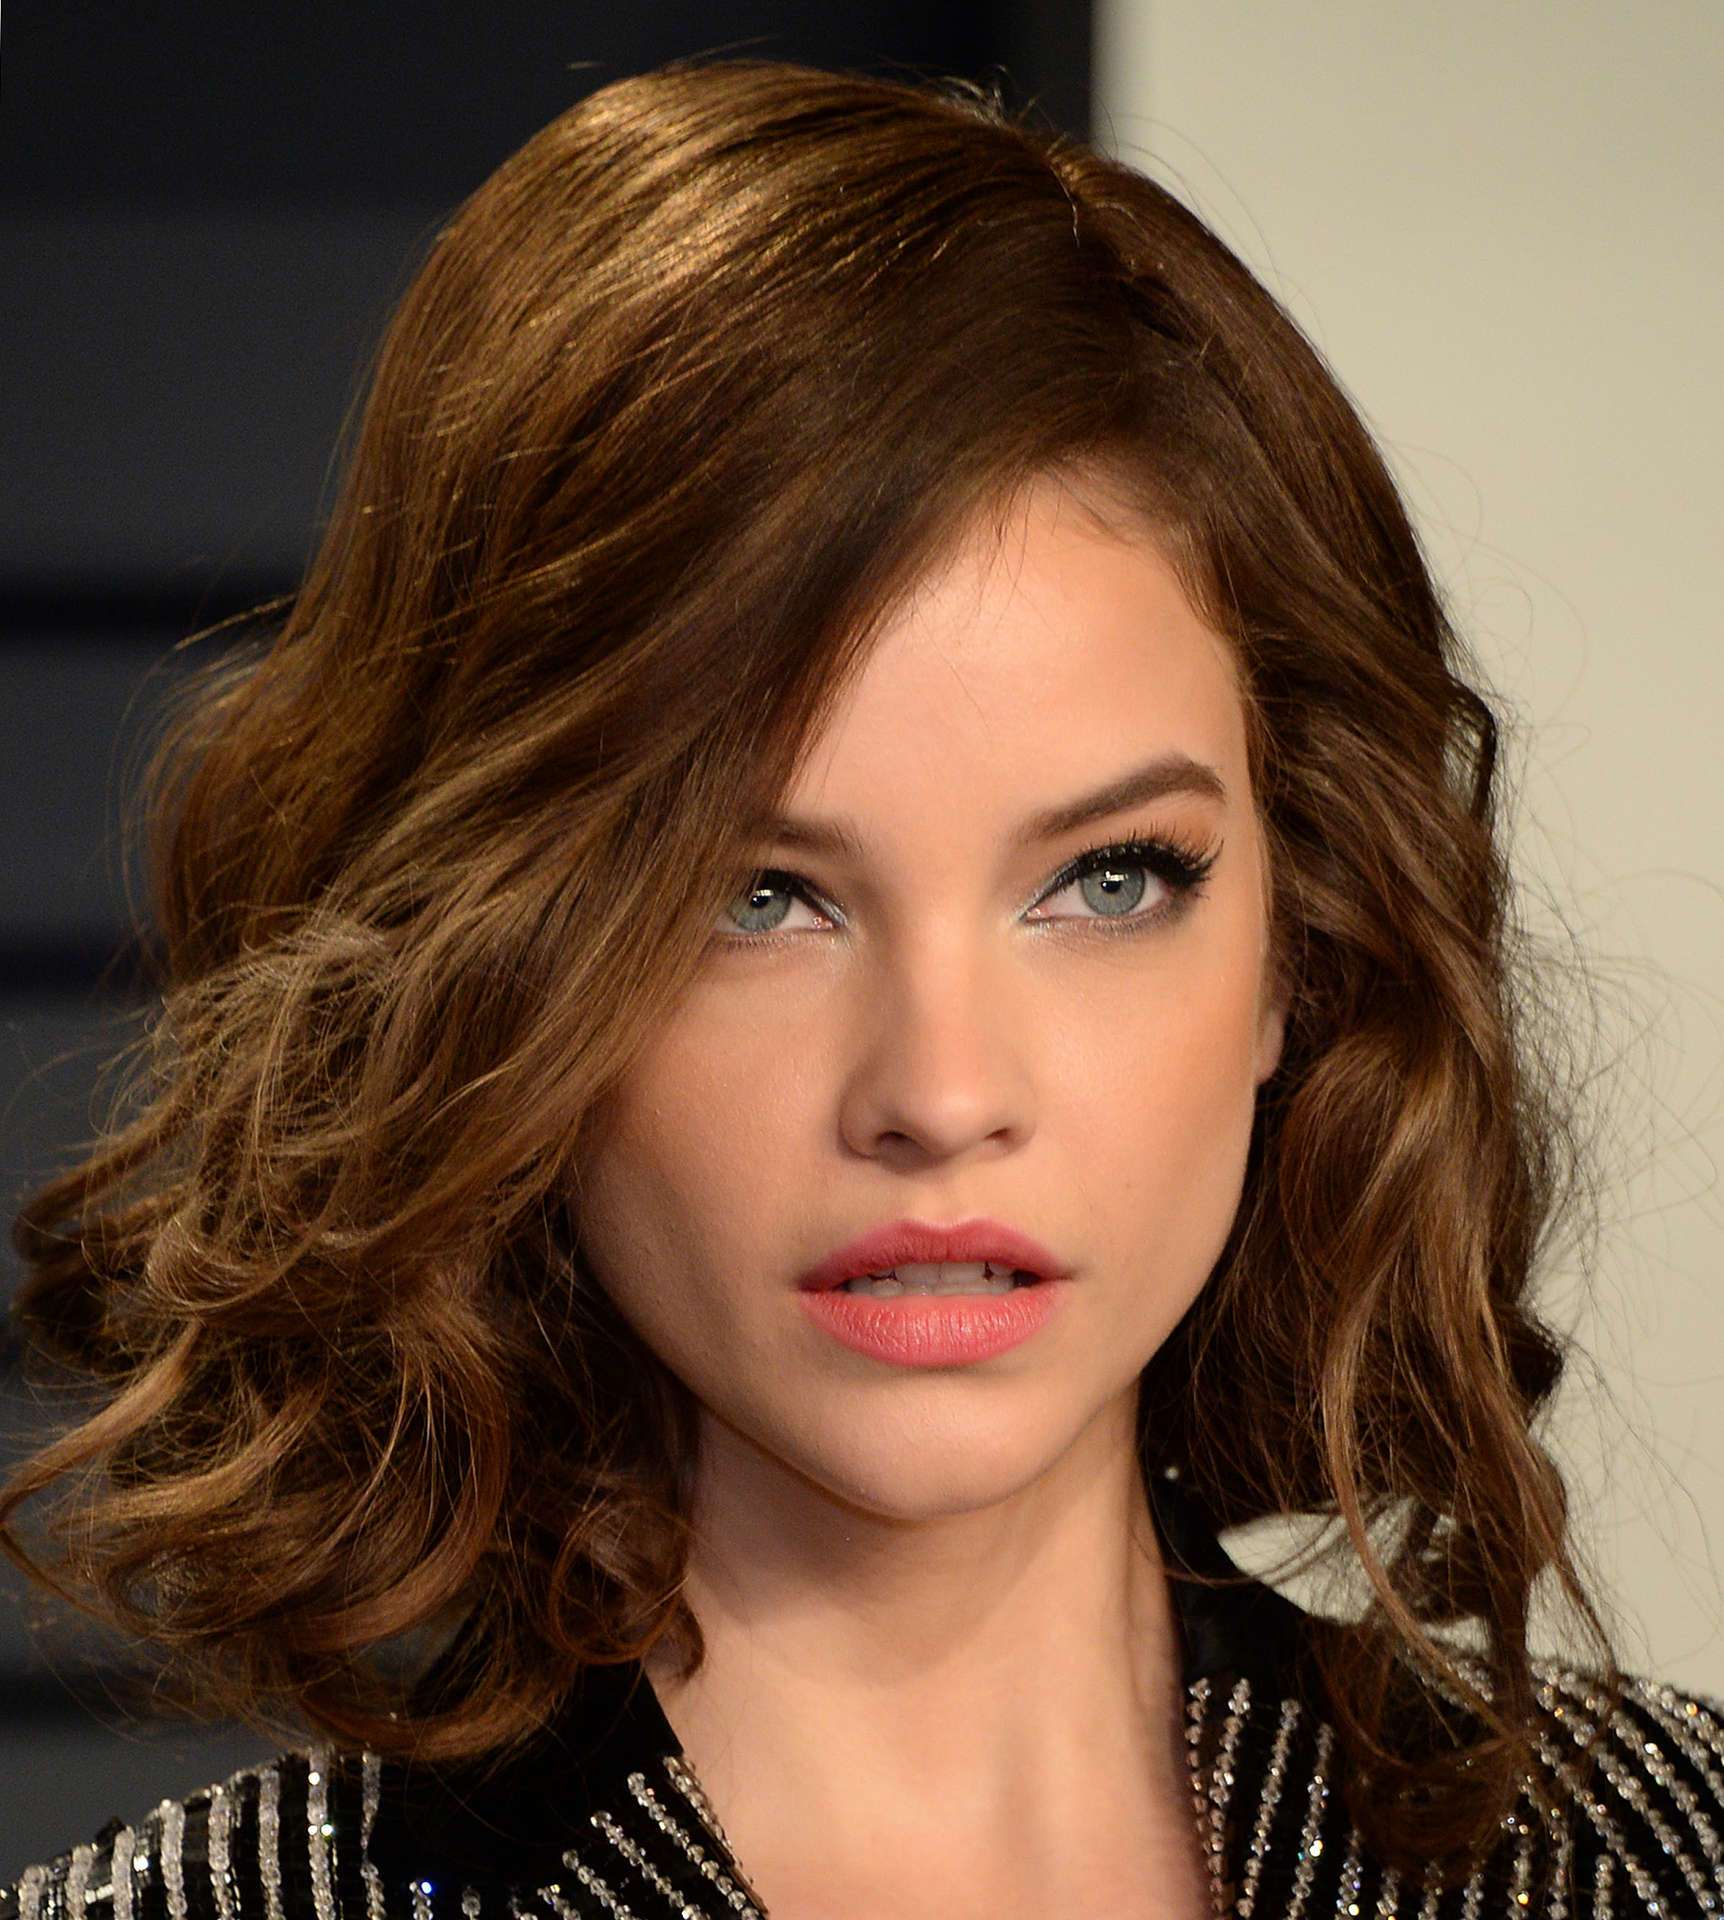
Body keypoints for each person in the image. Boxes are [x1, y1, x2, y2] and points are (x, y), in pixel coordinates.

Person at [2, 52, 1719, 1920]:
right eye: (758, 900)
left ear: (1298, 953)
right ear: (500, 979)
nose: (941, 1091)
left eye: (1110, 881)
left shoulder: (1661, 1858)